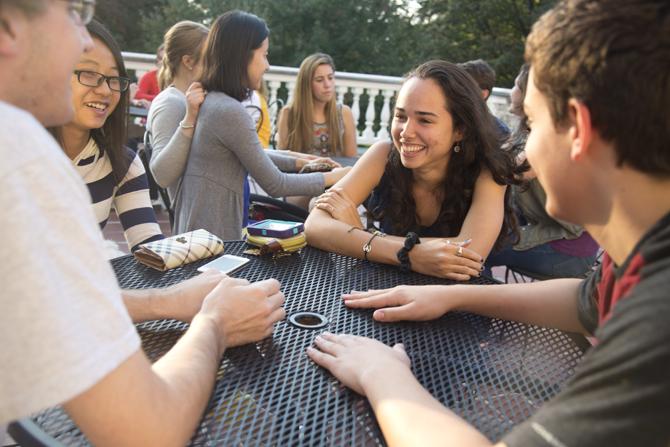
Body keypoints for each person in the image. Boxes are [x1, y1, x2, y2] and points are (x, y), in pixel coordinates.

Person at [307, 0, 670, 445]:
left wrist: (381, 375)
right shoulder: (636, 262)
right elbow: (586, 302)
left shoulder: (657, 328)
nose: (524, 152)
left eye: (531, 124)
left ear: (579, 129)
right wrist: (453, 296)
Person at [0, 2, 285, 445]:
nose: (82, 35)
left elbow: (71, 295)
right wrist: (214, 323)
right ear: (8, 28)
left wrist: (168, 301)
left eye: (113, 77)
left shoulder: (111, 162)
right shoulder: (20, 154)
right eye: (74, 13)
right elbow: (146, 432)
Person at [305, 60, 517, 280]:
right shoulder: (383, 155)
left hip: (454, 298)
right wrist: (410, 253)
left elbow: (468, 256)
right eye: (401, 116)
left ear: (460, 130)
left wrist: (363, 235)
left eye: (424, 120)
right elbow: (315, 225)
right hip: (385, 285)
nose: (406, 132)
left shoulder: (487, 172)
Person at [173, 11, 349, 240]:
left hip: (199, 231)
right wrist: (336, 177)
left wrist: (301, 162)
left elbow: (250, 151)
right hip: (213, 239)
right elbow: (276, 184)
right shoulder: (228, 111)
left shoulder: (214, 101)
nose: (267, 65)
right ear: (242, 56)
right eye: (264, 55)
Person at [49, 19, 163, 258]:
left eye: (113, 79)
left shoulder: (122, 163)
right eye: (89, 74)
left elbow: (151, 250)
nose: (104, 90)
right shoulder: (17, 154)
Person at [487, 64, 599, 278]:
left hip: (566, 248)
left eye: (516, 84)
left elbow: (509, 172)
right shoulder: (529, 129)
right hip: (553, 231)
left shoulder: (550, 135)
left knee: (474, 249)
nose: (512, 90)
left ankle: (472, 304)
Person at [146, 20, 209, 203]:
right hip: (195, 218)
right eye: (209, 58)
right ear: (188, 61)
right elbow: (162, 175)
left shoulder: (186, 99)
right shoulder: (171, 103)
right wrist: (189, 118)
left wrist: (292, 158)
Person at [277, 53, 357, 157]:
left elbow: (351, 160)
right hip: (301, 172)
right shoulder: (289, 113)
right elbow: (282, 159)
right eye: (319, 80)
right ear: (306, 84)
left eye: (330, 78)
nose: (327, 85)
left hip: (337, 172)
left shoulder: (344, 113)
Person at [459, 59, 510, 139]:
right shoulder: (448, 121)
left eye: (464, 87)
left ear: (483, 94)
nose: (456, 90)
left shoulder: (499, 132)